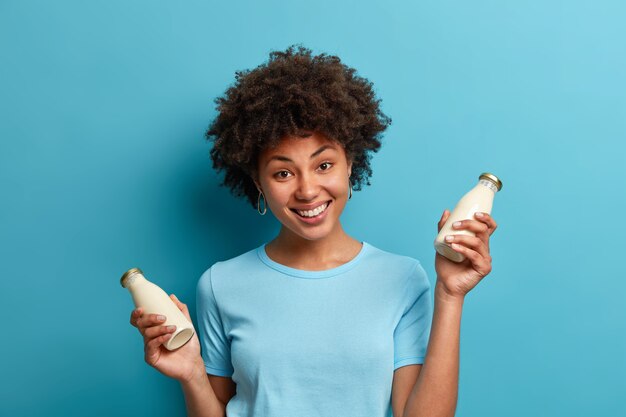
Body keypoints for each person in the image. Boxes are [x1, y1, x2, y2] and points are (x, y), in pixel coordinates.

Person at [129, 44, 498, 417]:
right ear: (258, 182)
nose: (307, 190)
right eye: (283, 172)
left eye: (323, 165)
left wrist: (450, 295)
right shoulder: (219, 284)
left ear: (350, 164)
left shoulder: (403, 279)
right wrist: (191, 374)